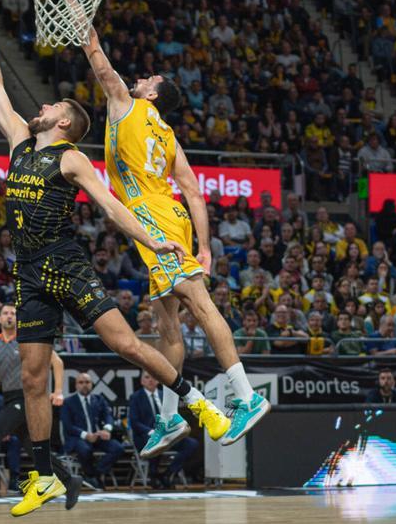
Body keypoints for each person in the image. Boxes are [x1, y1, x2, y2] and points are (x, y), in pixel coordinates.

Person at [0, 3, 228, 516]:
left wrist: (154, 240)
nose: (39, 106)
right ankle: (41, 475)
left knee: (124, 343)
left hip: (65, 263)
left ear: (64, 121)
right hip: (28, 273)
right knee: (31, 377)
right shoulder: (20, 145)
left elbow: (111, 207)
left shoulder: (71, 158)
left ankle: (194, 399)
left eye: (50, 106)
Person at [81, 22, 269, 454]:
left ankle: (247, 395)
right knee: (166, 327)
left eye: (151, 79)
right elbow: (194, 192)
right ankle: (169, 417)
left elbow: (99, 61)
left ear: (150, 95)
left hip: (155, 223)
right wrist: (204, 246)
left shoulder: (125, 106)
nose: (143, 77)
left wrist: (82, 17)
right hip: (170, 220)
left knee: (200, 305)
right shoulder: (167, 136)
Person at [0, 303, 79, 509]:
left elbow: (57, 362)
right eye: (6, 313)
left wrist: (59, 391)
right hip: (9, 398)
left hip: (27, 398)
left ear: (19, 319)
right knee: (34, 449)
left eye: (13, 314)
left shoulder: (28, 338)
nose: (9, 316)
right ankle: (70, 482)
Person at [129, 371, 200, 489]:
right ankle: (153, 476)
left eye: (153, 377)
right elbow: (134, 422)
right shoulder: (136, 397)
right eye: (147, 377)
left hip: (168, 435)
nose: (151, 380)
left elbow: (173, 416)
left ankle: (169, 473)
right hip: (145, 436)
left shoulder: (165, 395)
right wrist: (151, 431)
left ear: (158, 380)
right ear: (142, 381)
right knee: (155, 441)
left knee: (191, 444)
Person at [61, 371, 126, 489]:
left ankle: (93, 475)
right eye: (81, 382)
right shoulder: (68, 402)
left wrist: (106, 429)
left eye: (87, 382)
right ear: (76, 385)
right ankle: (92, 476)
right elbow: (68, 426)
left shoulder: (99, 399)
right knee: (85, 449)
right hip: (78, 438)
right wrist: (86, 435)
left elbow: (108, 416)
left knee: (118, 448)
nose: (84, 385)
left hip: (98, 436)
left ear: (92, 384)